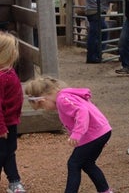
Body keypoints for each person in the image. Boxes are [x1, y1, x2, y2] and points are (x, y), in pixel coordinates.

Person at [23, 76, 113, 193]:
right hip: (100, 132)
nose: (45, 109)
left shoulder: (62, 99)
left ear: (44, 99)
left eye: (42, 106)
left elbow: (82, 112)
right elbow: (89, 109)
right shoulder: (68, 96)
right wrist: (101, 134)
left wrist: (77, 134)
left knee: (73, 164)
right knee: (87, 163)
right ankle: (105, 190)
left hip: (94, 134)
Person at [0, 32, 27, 193]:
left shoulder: (8, 71)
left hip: (10, 121)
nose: (16, 53)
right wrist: (1, 127)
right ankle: (14, 182)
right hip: (3, 125)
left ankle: (14, 181)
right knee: (3, 153)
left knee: (9, 151)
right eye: (13, 50)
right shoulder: (2, 76)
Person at [84, 0, 115, 64]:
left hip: (91, 10)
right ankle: (95, 55)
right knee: (101, 32)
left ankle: (93, 55)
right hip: (96, 10)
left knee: (95, 33)